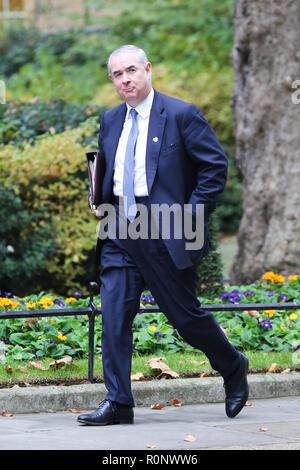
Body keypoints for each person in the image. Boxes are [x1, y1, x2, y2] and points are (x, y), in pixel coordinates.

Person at [77, 45, 249, 426]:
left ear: (148, 69)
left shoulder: (181, 115)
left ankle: (233, 365)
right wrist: (99, 198)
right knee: (114, 316)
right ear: (112, 80)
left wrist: (190, 215)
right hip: (119, 228)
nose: (126, 79)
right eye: (117, 74)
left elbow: (214, 168)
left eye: (132, 70)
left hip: (166, 230)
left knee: (185, 318)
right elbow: (111, 169)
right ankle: (119, 401)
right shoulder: (110, 120)